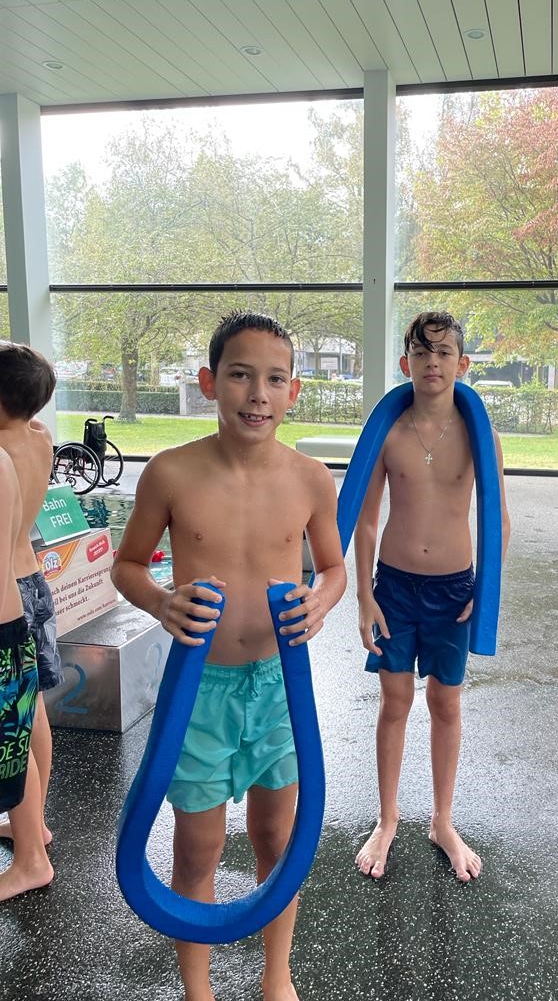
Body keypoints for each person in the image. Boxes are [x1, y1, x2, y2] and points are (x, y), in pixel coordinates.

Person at [112, 310, 346, 1001]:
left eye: (274, 380)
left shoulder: (310, 478)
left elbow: (334, 568)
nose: (257, 394)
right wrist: (162, 602)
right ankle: (198, 988)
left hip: (278, 687)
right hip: (200, 689)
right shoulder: (170, 472)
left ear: (294, 391)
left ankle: (278, 976)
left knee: (277, 838)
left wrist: (321, 600)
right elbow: (127, 565)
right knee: (198, 848)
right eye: (241, 375)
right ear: (210, 381)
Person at [354, 311, 510, 883]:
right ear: (406, 363)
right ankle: (388, 818)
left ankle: (443, 820)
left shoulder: (480, 436)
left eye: (444, 353)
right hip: (395, 588)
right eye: (422, 353)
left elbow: (498, 520)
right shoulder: (390, 433)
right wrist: (365, 595)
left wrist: (485, 589)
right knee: (394, 702)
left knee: (446, 703)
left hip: (454, 589)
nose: (433, 363)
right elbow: (366, 521)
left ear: (462, 364)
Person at [0, 342, 57, 901]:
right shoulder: (39, 439)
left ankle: (30, 855)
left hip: (6, 594)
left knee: (13, 724)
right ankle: (32, 825)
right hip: (33, 580)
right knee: (32, 709)